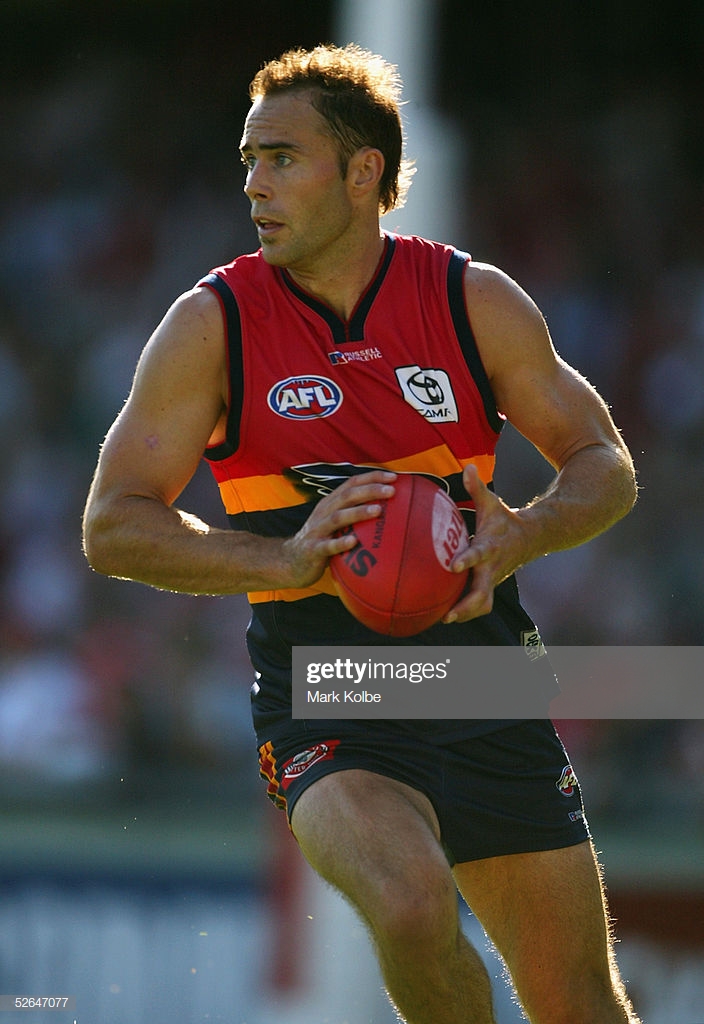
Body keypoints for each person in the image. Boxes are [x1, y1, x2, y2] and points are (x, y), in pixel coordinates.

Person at [83, 43, 640, 1024]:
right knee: (408, 898)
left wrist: (524, 532)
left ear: (362, 171)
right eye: (248, 159)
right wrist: (284, 560)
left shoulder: (471, 300)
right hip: (324, 693)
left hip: (484, 681)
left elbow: (603, 464)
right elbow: (112, 524)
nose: (253, 183)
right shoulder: (212, 324)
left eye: (281, 158)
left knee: (577, 1005)